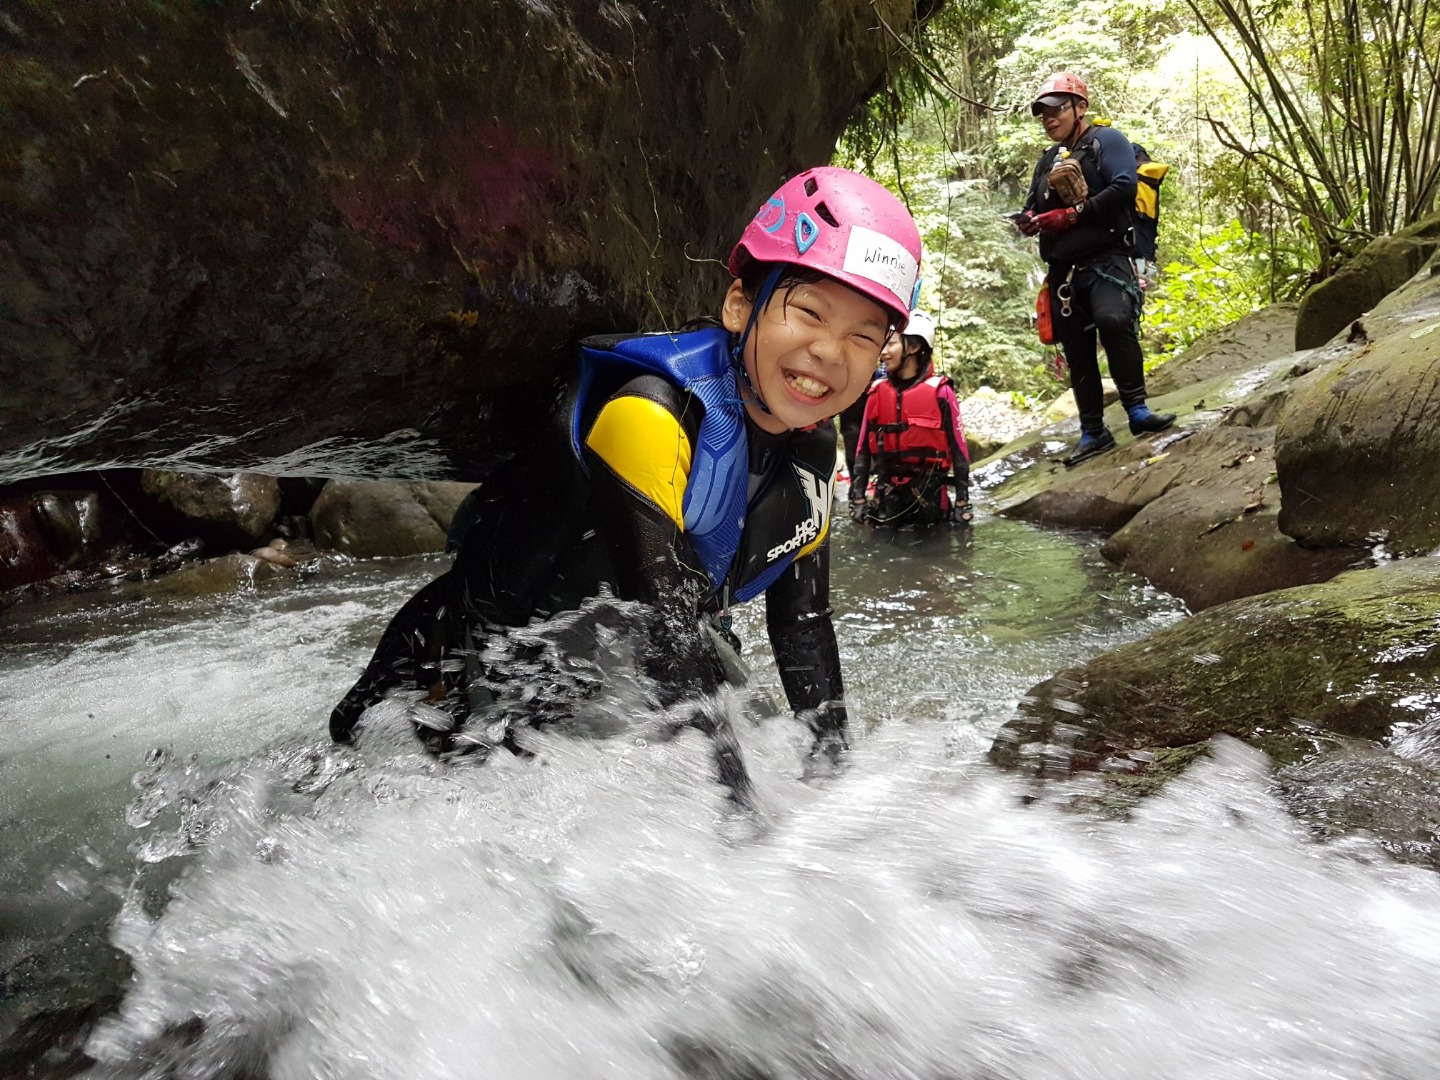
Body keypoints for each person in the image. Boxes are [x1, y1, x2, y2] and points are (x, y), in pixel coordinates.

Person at [329, 166, 923, 787]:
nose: (830, 352)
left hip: (600, 674)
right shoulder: (650, 414)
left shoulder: (811, 451)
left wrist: (833, 778)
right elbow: (660, 621)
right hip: (455, 672)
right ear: (739, 305)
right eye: (808, 311)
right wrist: (741, 821)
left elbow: (801, 624)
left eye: (862, 336)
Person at [1014, 71, 1174, 467]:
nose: (1048, 119)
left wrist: (1070, 216)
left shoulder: (1108, 141)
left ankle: (1137, 410)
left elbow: (1123, 186)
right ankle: (1092, 431)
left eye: (1056, 110)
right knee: (1077, 347)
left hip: (1107, 258)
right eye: (1042, 113)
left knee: (1113, 318)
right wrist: (1030, 219)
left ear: (1079, 107)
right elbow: (1036, 203)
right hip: (1064, 270)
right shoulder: (1048, 160)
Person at [847, 310, 971, 528]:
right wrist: (857, 498)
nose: (883, 352)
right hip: (887, 497)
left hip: (929, 498)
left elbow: (959, 450)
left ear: (913, 348)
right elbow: (863, 451)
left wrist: (962, 502)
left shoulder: (941, 394)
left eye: (891, 344)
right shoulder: (876, 393)